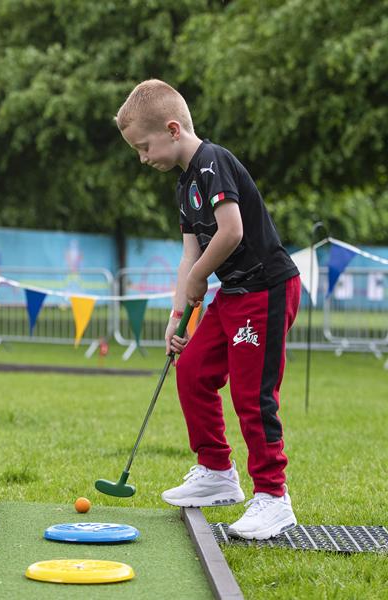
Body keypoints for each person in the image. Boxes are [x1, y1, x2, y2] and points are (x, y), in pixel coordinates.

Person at [115, 79, 301, 540]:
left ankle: (274, 498)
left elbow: (232, 231)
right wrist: (178, 313)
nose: (143, 158)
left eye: (144, 146)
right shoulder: (185, 184)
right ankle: (217, 471)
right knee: (193, 369)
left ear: (173, 129)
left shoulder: (212, 162)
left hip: (266, 290)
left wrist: (200, 278)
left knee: (251, 394)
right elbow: (188, 254)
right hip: (233, 294)